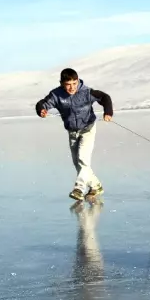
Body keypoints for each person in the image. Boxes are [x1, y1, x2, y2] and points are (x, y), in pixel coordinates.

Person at [35, 68, 114, 201]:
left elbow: (105, 97)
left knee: (83, 158)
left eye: (74, 83)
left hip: (88, 129)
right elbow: (42, 103)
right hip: (72, 132)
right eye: (68, 84)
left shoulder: (87, 92)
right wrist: (42, 110)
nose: (72, 87)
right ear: (62, 83)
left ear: (78, 81)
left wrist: (108, 111)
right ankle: (96, 186)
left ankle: (79, 188)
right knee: (78, 163)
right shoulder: (56, 95)